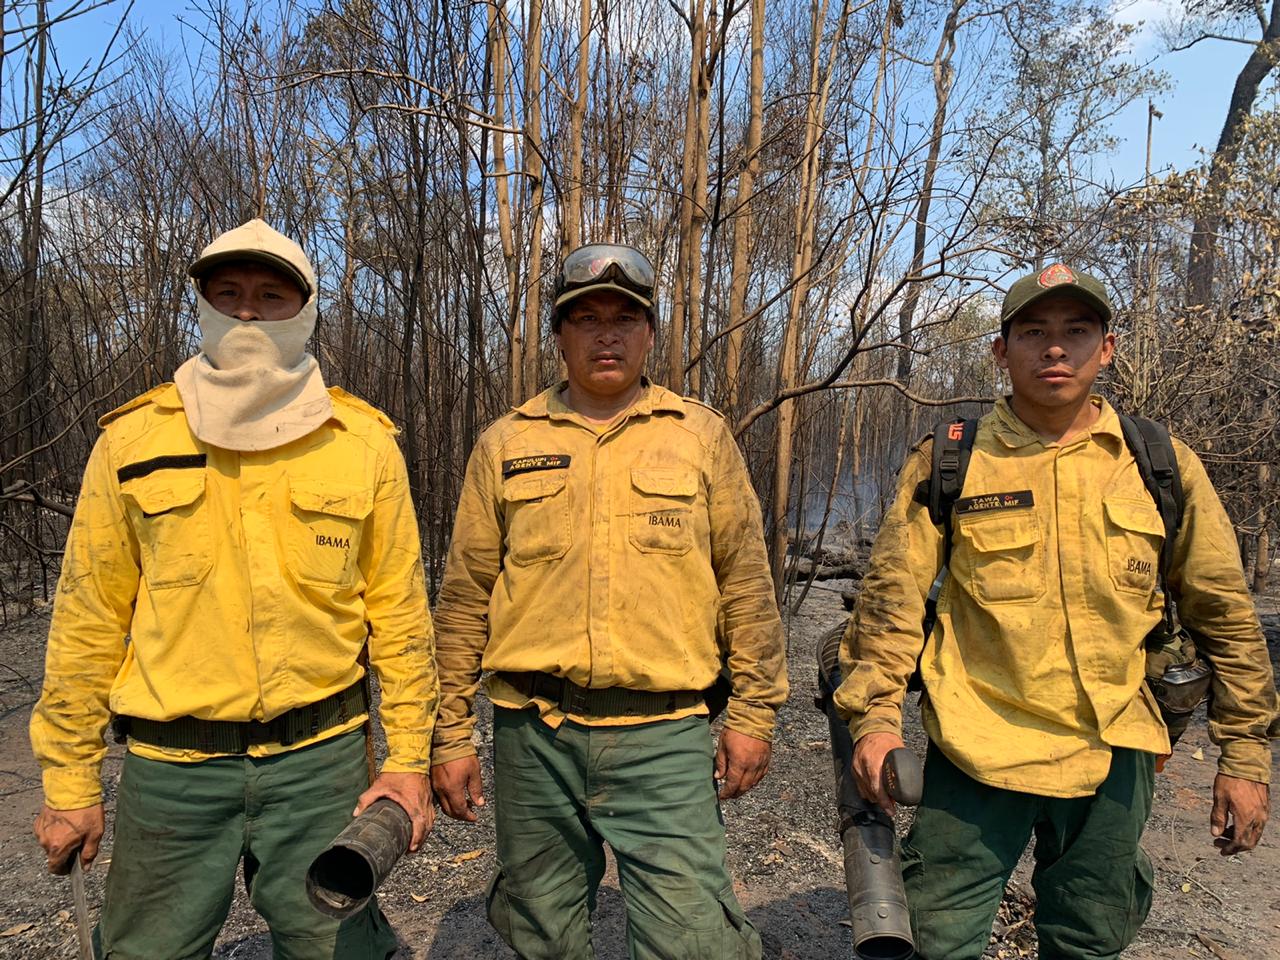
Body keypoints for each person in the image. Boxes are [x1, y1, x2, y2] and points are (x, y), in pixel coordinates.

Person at [835, 263, 1277, 960]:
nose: (1054, 349)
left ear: (1106, 348)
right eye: (1033, 332)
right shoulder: (951, 461)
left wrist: (1246, 754)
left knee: (1089, 941)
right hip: (976, 748)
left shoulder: (1159, 464)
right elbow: (890, 604)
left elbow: (1225, 614)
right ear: (999, 350)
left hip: (1113, 751)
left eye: (1076, 331)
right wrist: (876, 719)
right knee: (934, 942)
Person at [30, 219, 438, 959]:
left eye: (271, 295)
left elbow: (402, 618)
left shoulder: (362, 443)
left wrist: (408, 761)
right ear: (204, 305)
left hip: (321, 765)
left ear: (306, 309)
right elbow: (88, 620)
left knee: (334, 948)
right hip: (172, 774)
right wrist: (69, 779)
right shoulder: (134, 441)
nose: (248, 312)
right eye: (229, 293)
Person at [430, 243, 787, 959]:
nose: (606, 334)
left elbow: (745, 582)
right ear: (559, 336)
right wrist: (448, 733)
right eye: (585, 318)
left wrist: (754, 713)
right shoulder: (506, 442)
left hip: (664, 738)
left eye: (625, 318)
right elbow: (465, 596)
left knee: (695, 941)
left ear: (651, 332)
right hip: (535, 737)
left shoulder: (699, 437)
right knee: (542, 930)